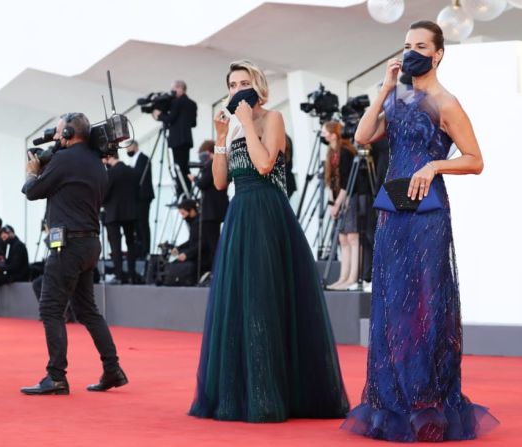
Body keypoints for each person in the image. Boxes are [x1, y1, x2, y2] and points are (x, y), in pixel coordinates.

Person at [341, 21, 499, 441]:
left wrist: (434, 165)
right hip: (393, 211)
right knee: (393, 303)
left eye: (421, 46)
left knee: (427, 303)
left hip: (428, 216)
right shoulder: (397, 95)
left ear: (438, 53)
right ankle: (392, 401)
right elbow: (361, 136)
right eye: (407, 45)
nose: (412, 52)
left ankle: (428, 403)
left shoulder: (445, 102)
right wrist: (386, 86)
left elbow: (475, 159)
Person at [189, 60, 349, 422]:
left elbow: (264, 165)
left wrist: (246, 124)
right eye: (232, 84)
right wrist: (219, 138)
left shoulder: (273, 119)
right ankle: (241, 394)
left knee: (266, 298)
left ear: (259, 88)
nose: (237, 89)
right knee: (241, 301)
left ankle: (274, 394)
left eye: (244, 82)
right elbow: (218, 182)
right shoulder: (231, 129)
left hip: (268, 213)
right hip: (239, 214)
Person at [20, 112, 127, 395]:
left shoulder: (64, 160)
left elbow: (31, 192)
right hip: (90, 243)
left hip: (67, 245)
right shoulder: (96, 163)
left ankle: (56, 376)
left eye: (57, 133)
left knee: (51, 308)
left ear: (68, 133)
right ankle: (112, 369)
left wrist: (33, 170)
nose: (55, 138)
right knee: (87, 311)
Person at [322, 121, 367, 291]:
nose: (323, 134)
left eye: (325, 131)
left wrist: (338, 202)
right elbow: (329, 180)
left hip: (348, 198)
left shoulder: (346, 152)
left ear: (333, 134)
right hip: (338, 200)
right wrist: (331, 203)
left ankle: (352, 277)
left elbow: (348, 181)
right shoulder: (331, 152)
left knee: (352, 237)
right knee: (342, 238)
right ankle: (343, 277)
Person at [153, 80, 198, 199]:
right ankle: (187, 192)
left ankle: (181, 195)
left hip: (177, 140)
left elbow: (169, 119)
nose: (172, 92)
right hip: (187, 140)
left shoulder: (177, 102)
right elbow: (193, 123)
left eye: (173, 89)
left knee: (178, 168)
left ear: (180, 88)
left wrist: (159, 115)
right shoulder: (192, 103)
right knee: (184, 167)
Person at [103, 152, 139, 284]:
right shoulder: (132, 171)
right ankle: (132, 273)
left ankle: (118, 274)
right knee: (131, 244)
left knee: (115, 245)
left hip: (113, 214)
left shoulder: (111, 173)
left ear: (108, 157)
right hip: (130, 213)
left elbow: (104, 193)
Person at [193, 140, 229, 273]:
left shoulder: (211, 165)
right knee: (216, 242)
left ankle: (217, 272)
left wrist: (195, 179)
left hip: (211, 211)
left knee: (213, 243)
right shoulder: (221, 163)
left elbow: (203, 183)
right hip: (219, 208)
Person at [125, 140, 155, 259]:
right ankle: (140, 249)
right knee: (137, 224)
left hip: (143, 196)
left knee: (143, 223)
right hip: (136, 197)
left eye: (128, 148)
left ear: (134, 146)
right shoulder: (133, 160)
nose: (128, 151)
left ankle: (146, 250)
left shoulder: (143, 158)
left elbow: (139, 175)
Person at [0, 225, 29, 296]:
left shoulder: (18, 246)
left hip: (18, 276)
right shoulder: (12, 245)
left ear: (10, 233)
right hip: (14, 274)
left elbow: (15, 266)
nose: (4, 240)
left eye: (4, 237)